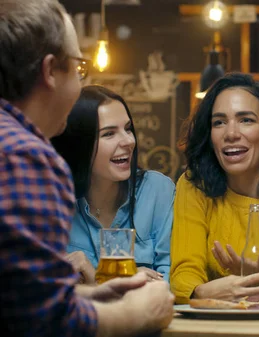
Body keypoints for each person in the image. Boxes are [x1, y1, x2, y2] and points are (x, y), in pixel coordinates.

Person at [0, 1, 174, 335]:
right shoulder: (25, 157)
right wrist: (136, 313)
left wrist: (83, 293)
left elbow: (15, 295)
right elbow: (43, 322)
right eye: (79, 69)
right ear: (51, 71)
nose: (126, 141)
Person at [170, 73, 259, 303]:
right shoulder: (194, 186)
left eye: (246, 120)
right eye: (219, 122)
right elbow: (184, 274)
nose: (231, 134)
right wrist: (200, 293)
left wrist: (258, 285)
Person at [52, 85, 175, 284]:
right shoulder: (54, 202)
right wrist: (130, 280)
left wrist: (94, 279)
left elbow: (170, 284)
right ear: (80, 144)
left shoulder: (157, 190)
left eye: (128, 129)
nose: (128, 141)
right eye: (109, 134)